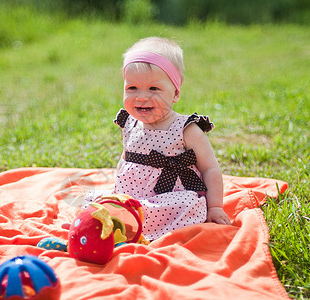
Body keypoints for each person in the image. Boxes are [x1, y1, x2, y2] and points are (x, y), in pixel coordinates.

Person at [85, 37, 231, 241]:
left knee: (190, 205)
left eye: (154, 89)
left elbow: (210, 168)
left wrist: (215, 207)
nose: (142, 97)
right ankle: (120, 220)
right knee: (93, 202)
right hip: (132, 197)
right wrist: (116, 191)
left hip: (169, 201)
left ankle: (136, 226)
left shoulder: (186, 129)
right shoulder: (129, 123)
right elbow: (125, 158)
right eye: (132, 88)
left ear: (175, 93)